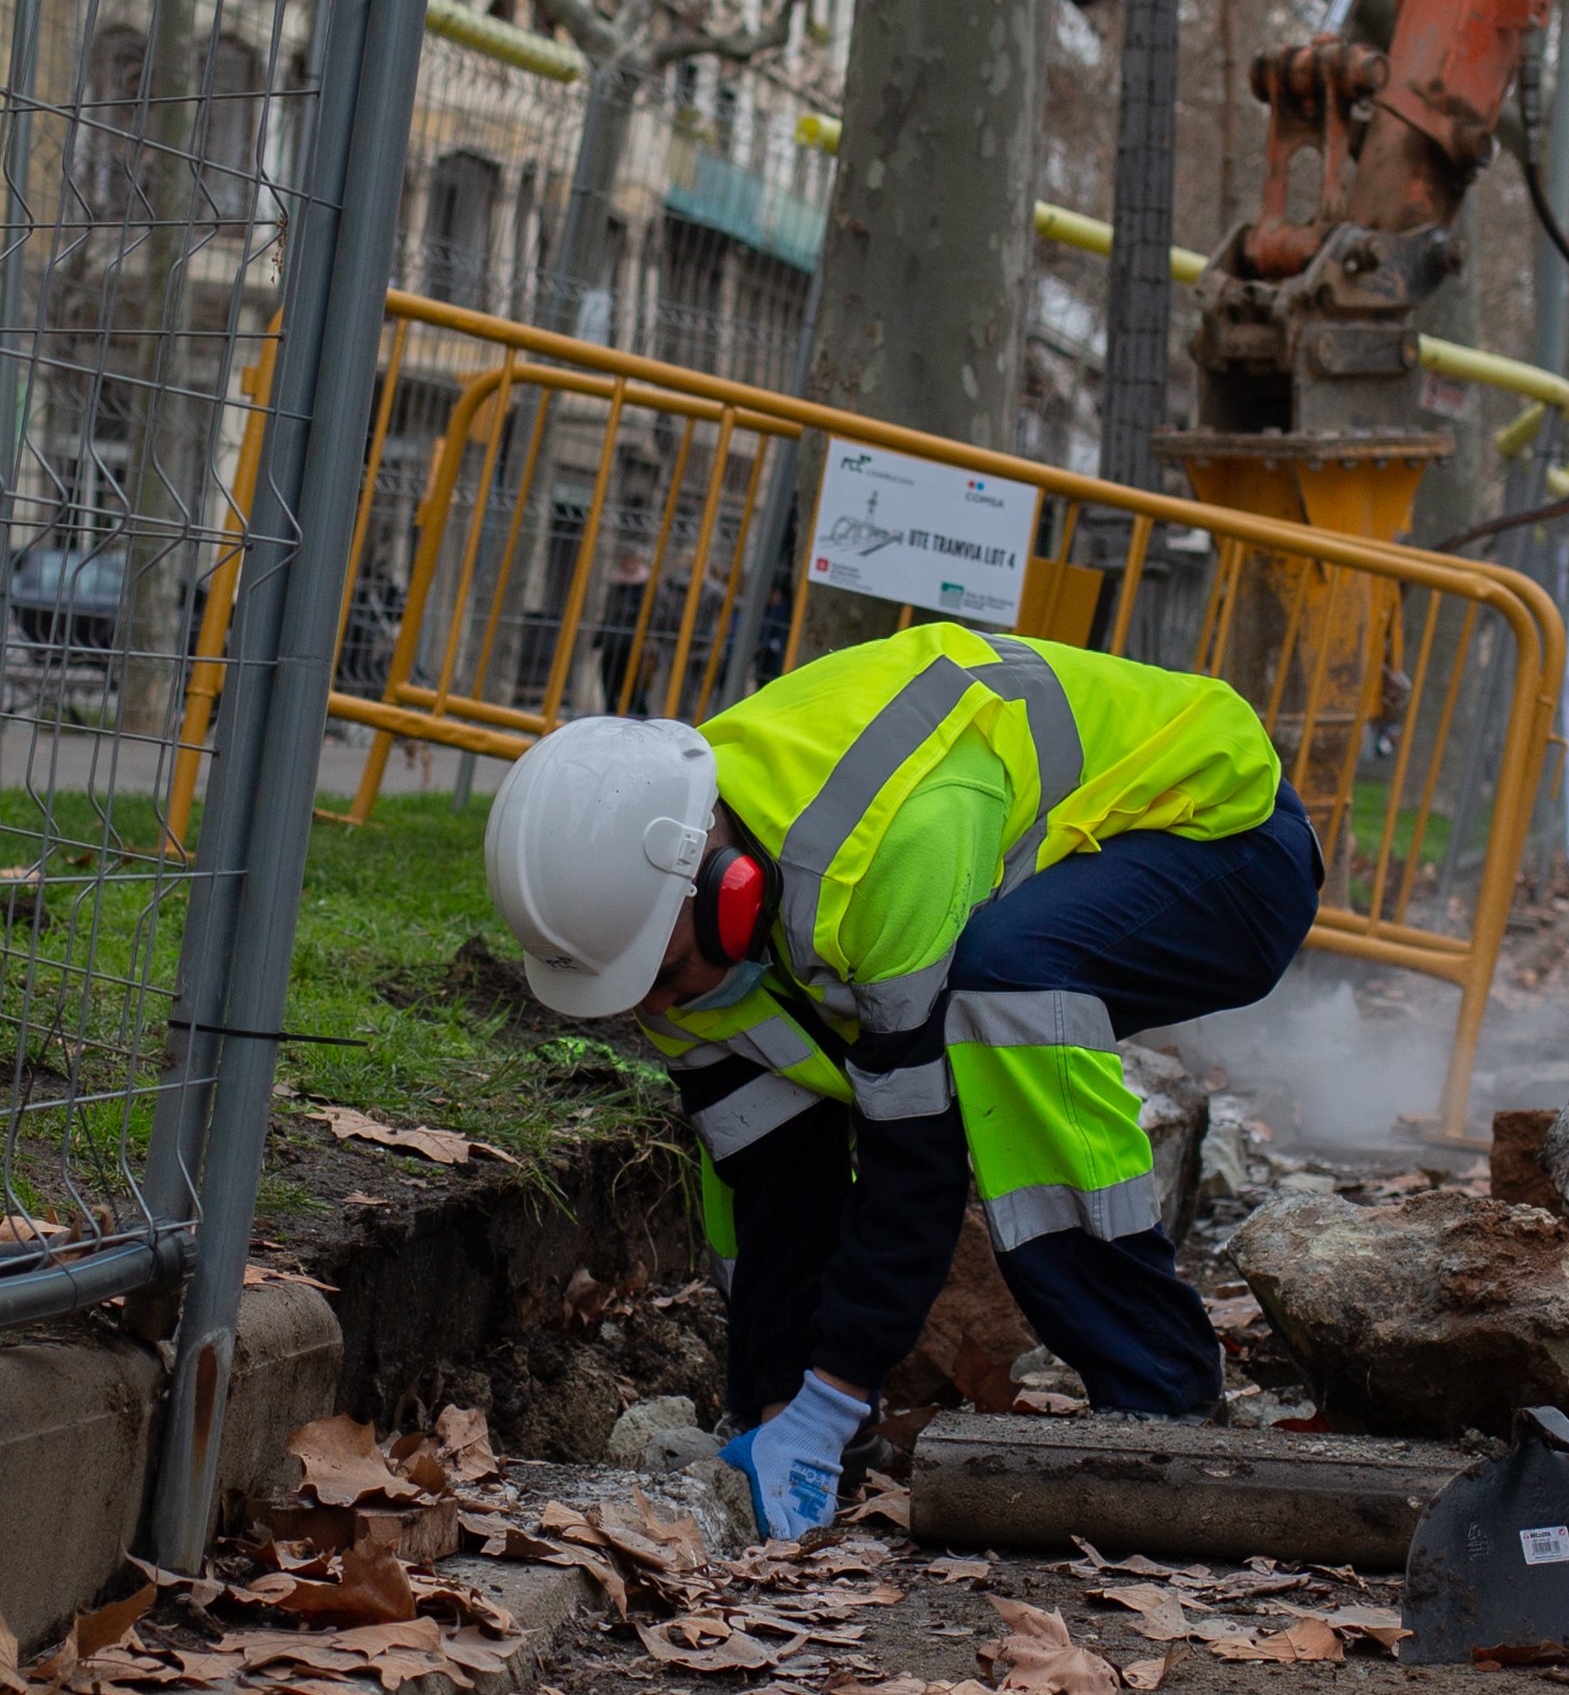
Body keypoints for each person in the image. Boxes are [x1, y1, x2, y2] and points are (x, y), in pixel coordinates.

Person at [481, 620, 1322, 1541]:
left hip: (1228, 842)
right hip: (1085, 862)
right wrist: (779, 1409)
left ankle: (1161, 1397)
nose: (661, 1008)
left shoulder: (885, 855)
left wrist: (831, 1398)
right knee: (791, 1112)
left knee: (1002, 986)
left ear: (724, 883)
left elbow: (912, 1165)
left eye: (669, 974)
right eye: (635, 991)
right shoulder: (668, 888)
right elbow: (773, 1180)